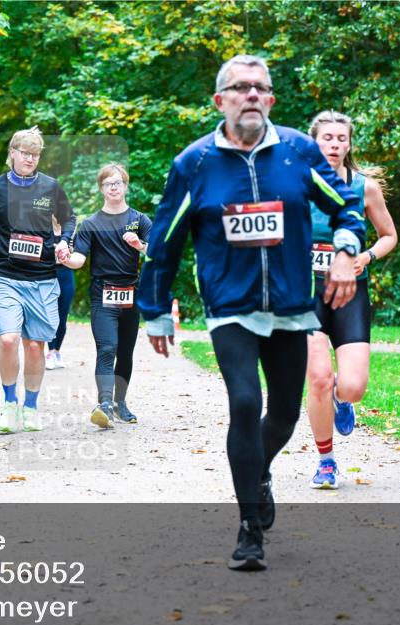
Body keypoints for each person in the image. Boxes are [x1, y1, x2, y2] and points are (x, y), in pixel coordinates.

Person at [137, 55, 365, 571]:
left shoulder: (297, 152)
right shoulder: (194, 164)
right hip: (230, 307)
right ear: (221, 101)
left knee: (283, 413)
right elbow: (164, 241)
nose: (252, 95)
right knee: (245, 401)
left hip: (289, 305)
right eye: (241, 88)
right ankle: (248, 529)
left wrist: (347, 251)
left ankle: (255, 470)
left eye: (261, 88)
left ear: (272, 101)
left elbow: (346, 205)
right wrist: (154, 311)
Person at [305, 111, 398, 490]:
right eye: (327, 138)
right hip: (304, 292)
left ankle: (344, 401)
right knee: (319, 378)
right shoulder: (298, 185)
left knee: (353, 385)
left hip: (350, 291)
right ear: (315, 142)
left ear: (349, 144)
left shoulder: (364, 187)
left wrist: (366, 256)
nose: (334, 145)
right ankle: (326, 461)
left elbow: (388, 235)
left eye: (341, 139)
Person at [0, 126, 76, 433]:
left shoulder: (51, 187)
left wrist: (65, 241)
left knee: (36, 346)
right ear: (12, 153)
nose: (30, 159)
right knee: (9, 339)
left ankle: (30, 408)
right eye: (24, 153)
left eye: (35, 154)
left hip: (42, 278)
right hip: (4, 275)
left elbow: (69, 219)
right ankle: (9, 404)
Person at [64, 163, 151, 428]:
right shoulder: (91, 224)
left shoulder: (140, 220)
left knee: (125, 353)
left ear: (125, 185)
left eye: (118, 183)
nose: (113, 187)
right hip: (103, 294)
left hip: (130, 295)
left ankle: (119, 403)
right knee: (107, 348)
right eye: (108, 184)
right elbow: (79, 259)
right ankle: (103, 405)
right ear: (101, 188)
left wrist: (140, 245)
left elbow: (157, 252)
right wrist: (66, 259)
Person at [45, 265, 74, 370]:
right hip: (48, 273)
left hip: (66, 275)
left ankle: (57, 351)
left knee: (62, 319)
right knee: (51, 318)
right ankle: (50, 352)